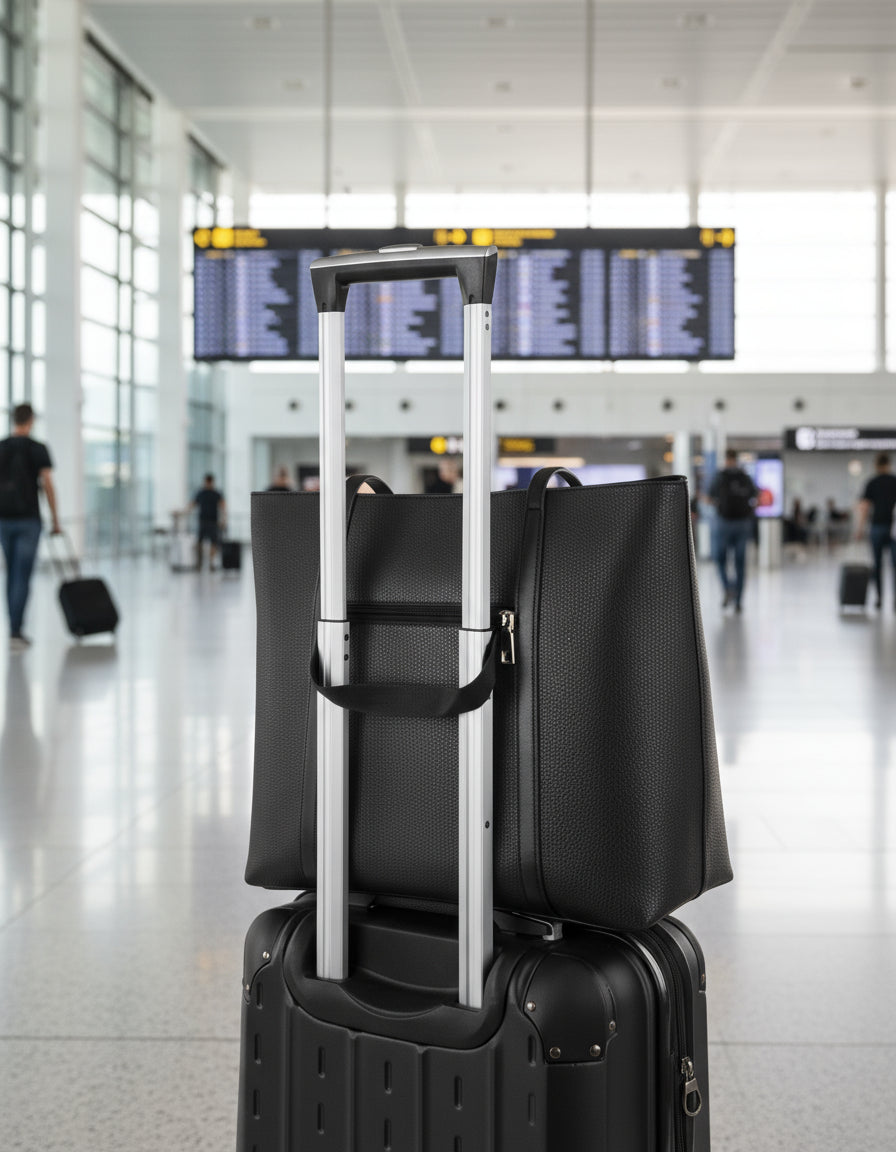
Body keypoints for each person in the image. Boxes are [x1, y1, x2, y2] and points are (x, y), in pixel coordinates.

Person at [0, 403, 61, 649]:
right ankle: (16, 630)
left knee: (11, 573)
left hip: (3, 519)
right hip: (28, 520)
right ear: (31, 420)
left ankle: (13, 626)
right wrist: (56, 519)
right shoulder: (37, 448)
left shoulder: (1, 447)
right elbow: (47, 484)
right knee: (21, 576)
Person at [709, 449, 757, 613]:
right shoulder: (745, 477)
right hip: (742, 523)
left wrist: (719, 505)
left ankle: (730, 591)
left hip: (725, 522)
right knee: (738, 563)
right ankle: (736, 598)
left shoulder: (720, 476)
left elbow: (709, 497)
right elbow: (756, 497)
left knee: (723, 560)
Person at [856, 453, 896, 610]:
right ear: (889, 464)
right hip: (894, 528)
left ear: (876, 465)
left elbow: (865, 508)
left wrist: (859, 529)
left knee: (877, 565)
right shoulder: (894, 481)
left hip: (877, 527)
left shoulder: (871, 482)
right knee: (895, 565)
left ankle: (879, 598)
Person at [189, 473, 226, 570]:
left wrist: (223, 520)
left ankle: (211, 563)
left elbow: (223, 507)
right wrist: (183, 512)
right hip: (202, 521)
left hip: (213, 521)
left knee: (214, 543)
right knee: (199, 542)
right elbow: (192, 504)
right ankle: (199, 563)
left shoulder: (216, 493)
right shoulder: (200, 493)